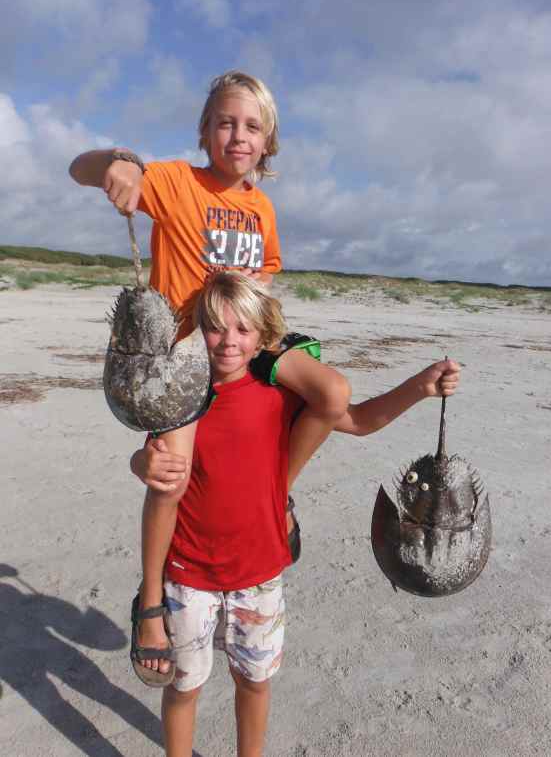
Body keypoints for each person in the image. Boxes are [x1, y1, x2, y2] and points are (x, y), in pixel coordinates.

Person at [69, 71, 351, 679]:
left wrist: (254, 315)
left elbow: (267, 272)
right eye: (226, 123)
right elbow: (78, 168)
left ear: (268, 141)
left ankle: (277, 494)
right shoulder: (176, 182)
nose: (238, 136)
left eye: (252, 126)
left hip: (244, 344)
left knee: (332, 393)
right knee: (169, 477)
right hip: (183, 359)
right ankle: (150, 599)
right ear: (204, 130)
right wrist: (117, 163)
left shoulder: (261, 207)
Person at [130, 271, 460, 757]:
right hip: (187, 574)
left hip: (260, 575)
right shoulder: (182, 400)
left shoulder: (280, 396)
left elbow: (361, 419)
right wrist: (152, 606)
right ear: (199, 330)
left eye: (243, 329)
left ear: (263, 338)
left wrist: (420, 386)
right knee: (183, 688)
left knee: (254, 683)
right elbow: (154, 475)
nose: (228, 341)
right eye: (216, 328)